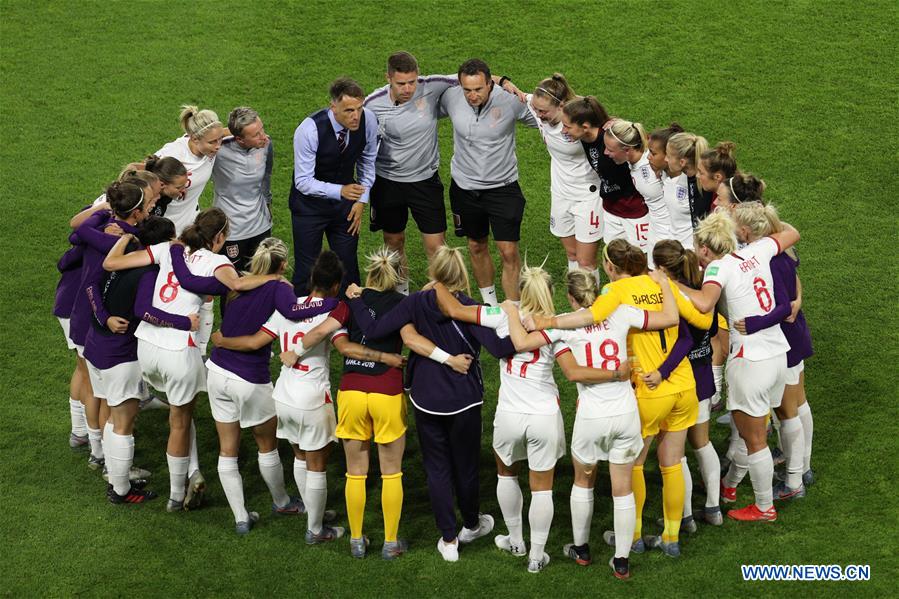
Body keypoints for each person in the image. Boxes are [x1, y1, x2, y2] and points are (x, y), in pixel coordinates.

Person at [527, 239, 713, 557]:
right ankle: (671, 538)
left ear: (610, 267)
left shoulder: (614, 293)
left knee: (634, 465)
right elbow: (701, 323)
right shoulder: (662, 282)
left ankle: (634, 536)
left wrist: (547, 321)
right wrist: (665, 287)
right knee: (672, 463)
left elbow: (592, 316)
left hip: (649, 389)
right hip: (683, 385)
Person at [345, 246, 515, 562]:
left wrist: (355, 300)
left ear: (433, 273)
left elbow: (373, 329)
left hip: (425, 398)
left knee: (437, 468)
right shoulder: (469, 308)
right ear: (461, 274)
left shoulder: (414, 302)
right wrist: (516, 318)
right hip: (464, 398)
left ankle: (448, 540)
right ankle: (471, 524)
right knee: (466, 466)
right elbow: (502, 349)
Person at [102, 208, 271, 513]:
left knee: (166, 409)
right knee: (179, 421)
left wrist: (126, 237)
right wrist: (272, 278)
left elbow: (111, 263)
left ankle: (176, 472)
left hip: (146, 347)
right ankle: (176, 495)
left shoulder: (169, 248)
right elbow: (236, 286)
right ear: (219, 237)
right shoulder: (219, 262)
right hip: (179, 350)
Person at [183, 239, 338, 534]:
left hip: (216, 371)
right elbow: (294, 312)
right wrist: (338, 305)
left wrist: (221, 342)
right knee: (266, 445)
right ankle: (282, 502)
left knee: (227, 449)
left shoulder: (237, 285)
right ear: (283, 265)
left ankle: (241, 518)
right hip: (249, 378)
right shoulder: (280, 288)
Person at [675, 206, 800, 522]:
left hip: (750, 361)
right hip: (777, 354)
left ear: (705, 249)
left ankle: (763, 507)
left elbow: (705, 303)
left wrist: (670, 284)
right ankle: (731, 487)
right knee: (755, 431)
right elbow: (792, 233)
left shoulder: (718, 269)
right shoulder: (757, 250)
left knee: (753, 438)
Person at [85, 216, 185, 504]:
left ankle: (113, 473)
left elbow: (91, 285)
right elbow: (144, 311)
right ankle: (121, 490)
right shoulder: (150, 272)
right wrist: (181, 322)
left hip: (95, 346)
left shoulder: (123, 255)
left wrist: (103, 317)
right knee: (123, 423)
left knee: (113, 417)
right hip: (120, 356)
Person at [69, 178, 160, 471]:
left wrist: (104, 212)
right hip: (102, 316)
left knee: (94, 385)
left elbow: (77, 230)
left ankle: (96, 450)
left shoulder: (99, 229)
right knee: (107, 395)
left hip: (84, 313)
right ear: (136, 212)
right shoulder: (128, 243)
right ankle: (108, 459)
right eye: (148, 204)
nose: (151, 209)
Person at [439, 59, 539, 304]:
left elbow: (545, 116)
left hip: (502, 189)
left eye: (478, 89)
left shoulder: (510, 101)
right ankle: (491, 306)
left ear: (490, 85)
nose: (472, 95)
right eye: (467, 90)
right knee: (476, 245)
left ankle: (513, 308)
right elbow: (422, 90)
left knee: (509, 251)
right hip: (464, 189)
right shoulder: (451, 96)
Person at [732, 211, 815, 498]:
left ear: (746, 231)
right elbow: (795, 279)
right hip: (794, 331)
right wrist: (797, 299)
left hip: (784, 337)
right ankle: (802, 469)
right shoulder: (779, 247)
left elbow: (781, 307)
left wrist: (754, 323)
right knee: (797, 402)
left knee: (787, 411)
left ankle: (794, 480)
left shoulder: (765, 259)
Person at [364, 52, 456, 292]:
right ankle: (401, 295)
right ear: (388, 79)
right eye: (401, 83)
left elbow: (471, 76)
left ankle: (438, 299)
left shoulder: (432, 86)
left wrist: (504, 82)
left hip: (425, 182)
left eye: (412, 82)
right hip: (388, 183)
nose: (408, 89)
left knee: (437, 246)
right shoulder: (372, 105)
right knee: (394, 242)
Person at [653, 240, 724, 526]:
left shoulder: (671, 296)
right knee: (702, 443)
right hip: (703, 373)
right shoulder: (701, 290)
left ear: (661, 268)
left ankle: (684, 516)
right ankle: (714, 508)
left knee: (675, 454)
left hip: (680, 379)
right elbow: (714, 328)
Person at [289, 77, 378, 295]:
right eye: (349, 110)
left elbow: (367, 162)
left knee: (348, 266)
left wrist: (361, 200)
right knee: (307, 269)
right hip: (309, 208)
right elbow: (303, 181)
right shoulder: (309, 130)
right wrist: (341, 191)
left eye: (359, 108)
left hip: (345, 207)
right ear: (333, 107)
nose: (356, 116)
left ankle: (350, 315)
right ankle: (302, 314)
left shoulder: (369, 120)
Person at [524, 74, 602, 277]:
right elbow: (515, 92)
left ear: (561, 106)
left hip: (587, 196)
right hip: (560, 193)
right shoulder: (538, 106)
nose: (538, 115)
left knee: (586, 261)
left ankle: (590, 298)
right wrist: (504, 81)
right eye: (536, 109)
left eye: (543, 111)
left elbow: (605, 130)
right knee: (572, 254)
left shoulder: (577, 121)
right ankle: (576, 296)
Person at [561, 98, 651, 257]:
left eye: (567, 126)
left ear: (585, 127)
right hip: (611, 207)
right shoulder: (584, 136)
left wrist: (625, 124)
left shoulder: (611, 138)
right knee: (613, 258)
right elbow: (574, 103)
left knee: (640, 260)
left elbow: (640, 144)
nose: (563, 131)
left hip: (635, 210)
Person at [212, 107, 274, 272]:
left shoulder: (266, 145)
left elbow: (266, 177)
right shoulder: (219, 149)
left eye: (262, 129)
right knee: (234, 280)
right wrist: (221, 132)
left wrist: (268, 203)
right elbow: (194, 138)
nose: (263, 136)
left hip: (260, 225)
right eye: (256, 134)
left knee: (262, 277)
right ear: (239, 139)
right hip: (232, 230)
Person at [602, 119, 669, 265]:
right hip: (655, 226)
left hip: (668, 229)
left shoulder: (653, 165)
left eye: (610, 150)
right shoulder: (634, 155)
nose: (605, 153)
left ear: (627, 150)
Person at [154, 105, 226, 235]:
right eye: (212, 142)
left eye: (220, 139)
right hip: (165, 226)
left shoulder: (209, 147)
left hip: (191, 224)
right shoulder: (173, 154)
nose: (218, 146)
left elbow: (224, 132)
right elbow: (142, 175)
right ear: (194, 138)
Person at [665, 131, 713, 245]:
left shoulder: (706, 186)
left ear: (682, 162)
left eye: (668, 156)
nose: (665, 159)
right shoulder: (690, 177)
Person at [697, 142, 738, 208]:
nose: (697, 175)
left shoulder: (726, 206)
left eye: (701, 173)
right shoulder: (717, 192)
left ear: (718, 177)